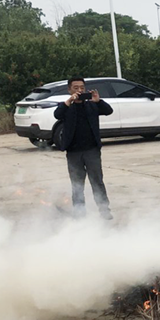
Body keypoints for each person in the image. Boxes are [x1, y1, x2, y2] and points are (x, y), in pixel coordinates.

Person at [54, 77, 114, 219]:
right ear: (69, 90)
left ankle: (104, 210)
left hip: (92, 150)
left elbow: (108, 111)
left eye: (82, 87)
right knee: (77, 184)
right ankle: (79, 212)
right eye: (76, 88)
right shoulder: (66, 107)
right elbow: (57, 114)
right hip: (73, 152)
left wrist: (98, 101)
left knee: (97, 181)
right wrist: (69, 101)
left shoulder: (92, 105)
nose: (80, 90)